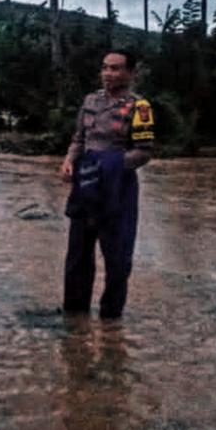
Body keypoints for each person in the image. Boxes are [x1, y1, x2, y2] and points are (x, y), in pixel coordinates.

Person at [60, 50, 154, 320]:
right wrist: (69, 160)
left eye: (114, 69)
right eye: (104, 68)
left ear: (130, 73)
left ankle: (111, 320)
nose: (107, 74)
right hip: (85, 185)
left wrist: (111, 167)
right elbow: (79, 138)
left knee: (117, 257)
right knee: (77, 254)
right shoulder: (90, 100)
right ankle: (75, 318)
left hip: (118, 189)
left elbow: (144, 152)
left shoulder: (141, 107)